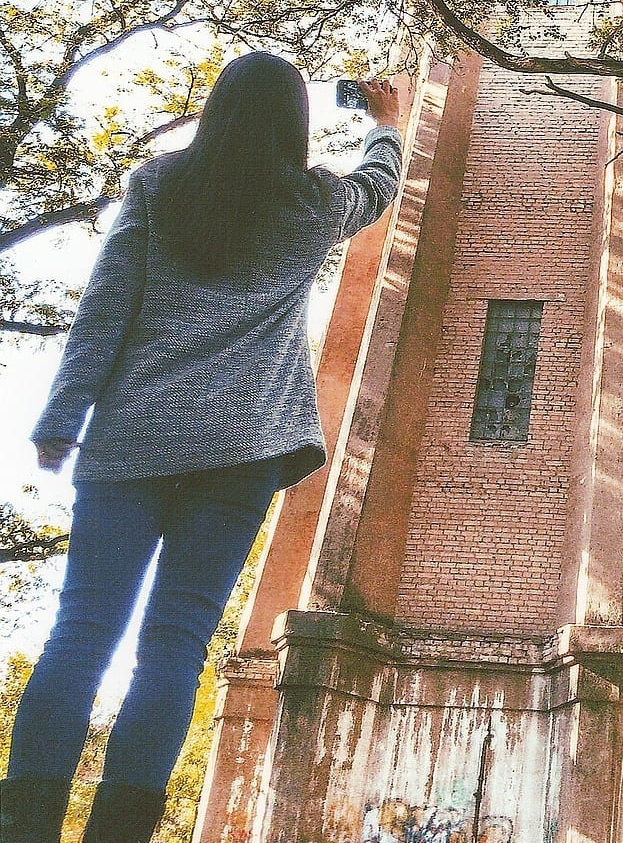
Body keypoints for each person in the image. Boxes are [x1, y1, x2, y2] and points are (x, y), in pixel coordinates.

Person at [0, 54, 404, 843]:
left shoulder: (160, 184)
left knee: (80, 633)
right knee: (174, 647)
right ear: (294, 121)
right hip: (241, 449)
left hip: (132, 440)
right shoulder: (313, 199)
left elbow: (105, 305)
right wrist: (385, 122)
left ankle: (22, 826)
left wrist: (61, 418)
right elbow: (378, 187)